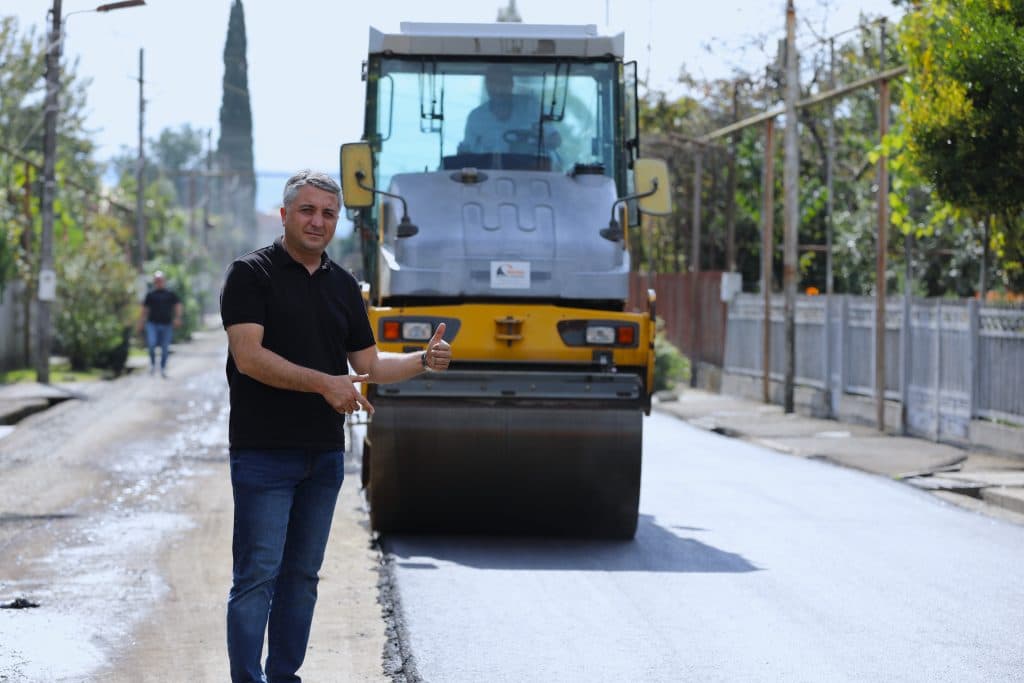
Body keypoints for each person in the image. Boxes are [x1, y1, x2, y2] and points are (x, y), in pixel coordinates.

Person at [219, 169, 452, 683]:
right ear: (284, 215)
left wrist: (422, 359)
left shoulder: (344, 286)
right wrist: (326, 384)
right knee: (257, 577)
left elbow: (369, 364)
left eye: (328, 213)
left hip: (323, 456)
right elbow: (250, 357)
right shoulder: (250, 275)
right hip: (262, 453)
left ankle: (284, 677)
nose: (317, 221)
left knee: (301, 579)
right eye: (307, 210)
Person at [459, 65, 560, 157]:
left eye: (502, 83)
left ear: (511, 84)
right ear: (487, 85)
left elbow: (556, 140)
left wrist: (541, 139)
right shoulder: (476, 117)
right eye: (493, 83)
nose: (498, 89)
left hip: (532, 173)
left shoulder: (531, 107)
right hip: (490, 175)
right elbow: (466, 155)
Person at [137, 270, 182, 378]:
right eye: (157, 280)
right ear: (154, 282)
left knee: (165, 347)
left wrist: (177, 318)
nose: (159, 282)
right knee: (151, 344)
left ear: (164, 281)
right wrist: (141, 322)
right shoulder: (150, 295)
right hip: (152, 324)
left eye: (161, 280)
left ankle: (162, 368)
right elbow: (144, 309)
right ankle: (152, 365)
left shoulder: (170, 294)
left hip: (167, 325)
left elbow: (178, 305)